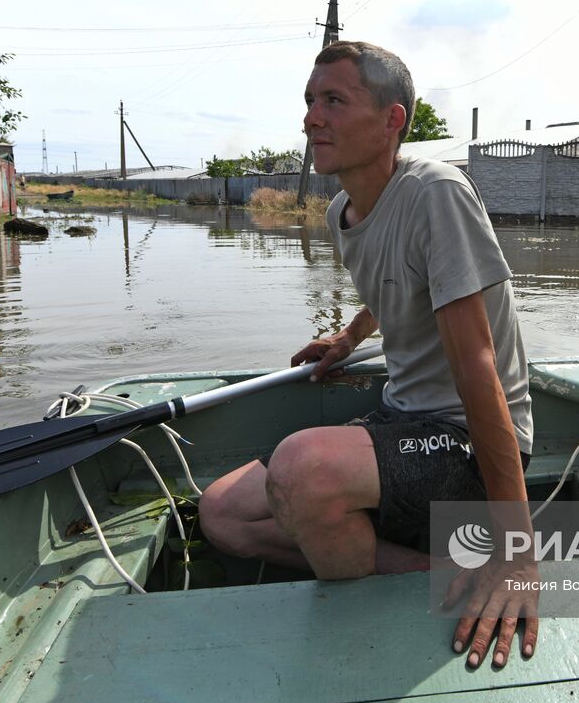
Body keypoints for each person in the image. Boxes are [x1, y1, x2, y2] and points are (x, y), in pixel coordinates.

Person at [199, 40, 541, 670]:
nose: (311, 118)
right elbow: (393, 286)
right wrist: (350, 337)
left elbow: (478, 367)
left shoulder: (438, 192)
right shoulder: (341, 212)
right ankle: (431, 573)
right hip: (401, 417)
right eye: (309, 101)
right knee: (222, 512)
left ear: (392, 122)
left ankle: (486, 571)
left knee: (302, 468)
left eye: (334, 100)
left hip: (463, 436)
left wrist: (517, 549)